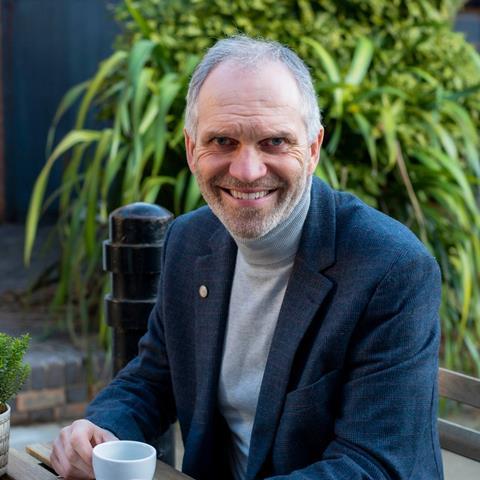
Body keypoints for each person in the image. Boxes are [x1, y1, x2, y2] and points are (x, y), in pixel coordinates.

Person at [51, 35, 443, 480]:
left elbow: (374, 464)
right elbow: (155, 375)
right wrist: (100, 428)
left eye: (275, 141)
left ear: (313, 149)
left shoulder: (391, 268)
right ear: (190, 148)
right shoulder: (188, 239)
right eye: (222, 140)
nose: (247, 170)